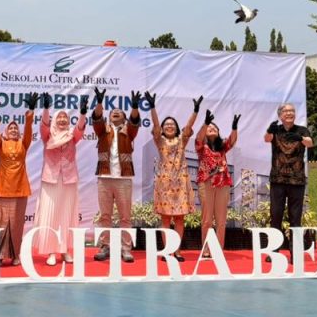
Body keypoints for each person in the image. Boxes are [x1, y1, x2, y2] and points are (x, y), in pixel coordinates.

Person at [33, 92, 87, 266]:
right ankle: (50, 251)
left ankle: (64, 251)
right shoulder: (48, 136)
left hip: (69, 180)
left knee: (66, 215)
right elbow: (44, 125)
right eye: (60, 117)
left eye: (65, 117)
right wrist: (46, 109)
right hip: (50, 180)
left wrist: (83, 114)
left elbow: (80, 129)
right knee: (50, 215)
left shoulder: (72, 135)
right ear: (55, 120)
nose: (63, 120)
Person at [92, 88, 141, 263]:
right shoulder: (102, 130)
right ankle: (105, 246)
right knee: (105, 216)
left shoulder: (129, 131)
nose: (116, 112)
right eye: (113, 111)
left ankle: (125, 248)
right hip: (104, 177)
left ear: (124, 118)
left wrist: (134, 107)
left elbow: (134, 122)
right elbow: (97, 118)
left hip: (124, 179)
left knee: (125, 217)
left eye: (119, 112)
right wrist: (99, 103)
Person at [147, 92, 195, 262]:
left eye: (172, 124)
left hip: (181, 183)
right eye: (166, 124)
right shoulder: (159, 140)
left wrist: (195, 111)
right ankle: (167, 251)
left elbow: (188, 128)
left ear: (176, 127)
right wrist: (153, 108)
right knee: (166, 219)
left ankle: (178, 251)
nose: (169, 126)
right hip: (165, 184)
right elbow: (156, 126)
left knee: (180, 219)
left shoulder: (182, 140)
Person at [0, 92, 36, 266]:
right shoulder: (0, 144)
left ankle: (16, 255)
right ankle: (0, 255)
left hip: (19, 189)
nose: (14, 130)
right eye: (11, 128)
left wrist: (31, 111)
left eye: (16, 128)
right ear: (6, 132)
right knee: (0, 224)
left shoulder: (24, 144)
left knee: (16, 225)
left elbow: (29, 129)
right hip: (1, 188)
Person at [264, 103, 314, 251]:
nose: (289, 113)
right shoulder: (276, 130)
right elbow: (267, 139)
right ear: (280, 115)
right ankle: (274, 251)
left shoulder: (301, 130)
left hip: (296, 180)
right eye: (286, 111)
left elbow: (310, 143)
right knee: (275, 216)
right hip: (278, 179)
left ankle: (295, 252)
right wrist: (269, 130)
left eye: (292, 111)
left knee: (295, 218)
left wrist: (300, 138)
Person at [195, 104, 240, 255]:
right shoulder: (201, 147)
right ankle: (206, 249)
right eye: (210, 127)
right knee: (207, 219)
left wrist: (234, 128)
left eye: (215, 127)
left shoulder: (223, 147)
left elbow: (232, 141)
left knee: (221, 220)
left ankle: (219, 249)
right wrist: (205, 123)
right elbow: (198, 137)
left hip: (223, 183)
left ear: (219, 132)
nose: (212, 128)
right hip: (206, 182)